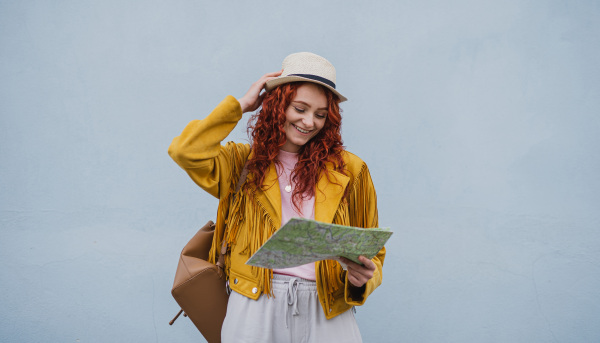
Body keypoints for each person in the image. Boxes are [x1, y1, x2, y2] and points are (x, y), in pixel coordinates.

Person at [168, 52, 385, 343]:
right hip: (253, 303)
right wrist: (241, 105)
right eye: (300, 108)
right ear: (278, 105)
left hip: (328, 306)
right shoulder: (241, 162)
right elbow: (186, 151)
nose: (309, 122)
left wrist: (363, 279)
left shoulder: (351, 170)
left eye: (321, 114)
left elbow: (373, 250)